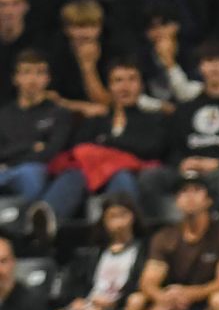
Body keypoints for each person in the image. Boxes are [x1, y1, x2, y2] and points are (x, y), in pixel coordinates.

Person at [41, 58, 169, 220]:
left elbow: (152, 148)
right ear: (110, 87)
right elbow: (79, 148)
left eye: (132, 79)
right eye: (118, 80)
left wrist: (106, 141)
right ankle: (45, 221)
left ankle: (118, 229)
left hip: (131, 175)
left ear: (141, 85)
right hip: (91, 175)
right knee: (73, 174)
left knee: (121, 175)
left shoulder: (153, 118)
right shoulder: (98, 120)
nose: (125, 87)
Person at [139, 43, 219, 201]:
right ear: (200, 67)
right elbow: (170, 147)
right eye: (208, 61)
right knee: (151, 176)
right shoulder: (186, 109)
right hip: (187, 171)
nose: (215, 67)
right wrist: (182, 162)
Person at [124, 177, 219, 310]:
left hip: (206, 299)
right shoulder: (164, 236)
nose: (189, 196)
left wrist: (191, 293)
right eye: (184, 191)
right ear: (177, 200)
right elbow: (148, 281)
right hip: (173, 301)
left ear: (209, 200)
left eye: (197, 190)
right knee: (135, 301)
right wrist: (162, 297)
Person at [51, 193, 146, 310]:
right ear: (104, 221)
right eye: (112, 217)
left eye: (123, 215)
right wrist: (77, 301)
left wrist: (115, 303)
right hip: (91, 302)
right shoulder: (94, 253)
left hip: (117, 307)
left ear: (133, 216)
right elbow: (78, 283)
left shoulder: (143, 250)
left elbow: (139, 285)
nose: (119, 223)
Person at [0, 50, 72, 225]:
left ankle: (27, 226)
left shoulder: (58, 113)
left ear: (47, 79)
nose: (32, 79)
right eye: (26, 72)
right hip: (4, 170)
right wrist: (30, 146)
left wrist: (11, 158)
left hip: (35, 171)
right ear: (15, 78)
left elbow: (51, 151)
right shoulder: (4, 114)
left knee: (31, 172)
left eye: (39, 72)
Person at [48, 0, 121, 116]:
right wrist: (82, 107)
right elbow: (48, 97)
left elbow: (109, 103)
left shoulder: (113, 52)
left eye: (92, 26)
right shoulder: (55, 52)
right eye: (78, 27)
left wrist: (88, 67)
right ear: (66, 29)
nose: (86, 34)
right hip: (63, 116)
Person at [0, 0, 37, 101]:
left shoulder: (39, 43)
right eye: (3, 5)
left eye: (15, 4)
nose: (8, 11)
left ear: (25, 7)